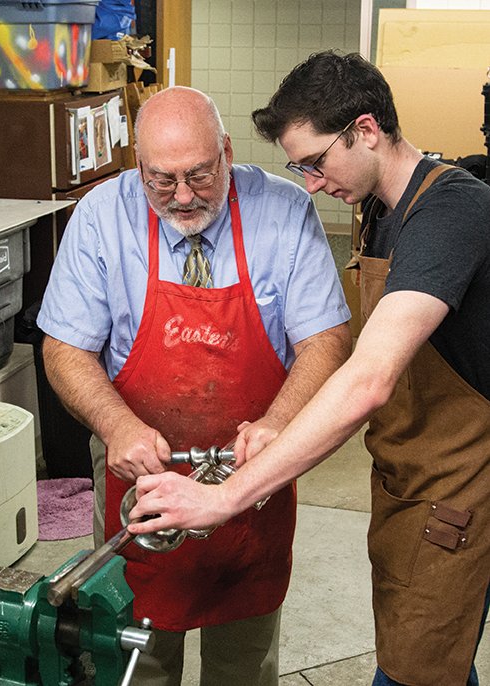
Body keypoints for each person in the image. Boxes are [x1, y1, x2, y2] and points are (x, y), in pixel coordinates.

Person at [128, 52, 490, 686]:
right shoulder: (382, 211)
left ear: (368, 130)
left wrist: (224, 498)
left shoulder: (450, 211)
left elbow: (368, 378)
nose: (312, 184)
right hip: (411, 480)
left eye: (317, 163)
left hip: (464, 489)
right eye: (301, 169)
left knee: (415, 674)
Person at [37, 85, 352, 686]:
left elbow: (326, 342)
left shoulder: (285, 210)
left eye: (201, 176)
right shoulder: (102, 215)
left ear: (227, 152)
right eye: (162, 180)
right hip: (140, 473)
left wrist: (278, 427)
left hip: (250, 468)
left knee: (245, 657)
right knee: (135, 652)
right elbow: (65, 349)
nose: (183, 197)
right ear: (139, 167)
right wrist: (117, 425)